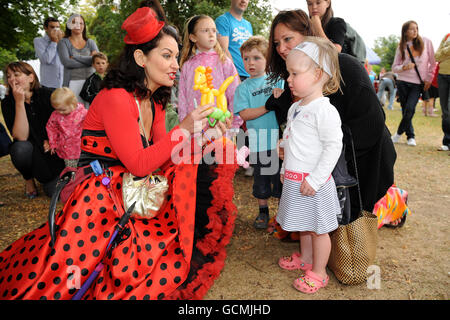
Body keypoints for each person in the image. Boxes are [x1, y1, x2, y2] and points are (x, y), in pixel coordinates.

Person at [0, 7, 237, 300]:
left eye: (176, 56)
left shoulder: (156, 99)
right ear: (140, 58)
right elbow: (139, 164)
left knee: (214, 152)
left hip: (134, 191)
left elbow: (165, 156)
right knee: (60, 282)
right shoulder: (115, 98)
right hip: (100, 194)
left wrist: (205, 133)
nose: (175, 64)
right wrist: (186, 129)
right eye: (166, 55)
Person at [264, 10, 396, 225]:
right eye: (277, 43)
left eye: (288, 39)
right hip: (324, 172)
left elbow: (370, 126)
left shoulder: (346, 67)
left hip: (365, 162)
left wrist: (314, 151)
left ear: (308, 35)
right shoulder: (295, 81)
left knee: (349, 230)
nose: (281, 48)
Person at [277, 38, 342, 294]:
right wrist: (284, 169)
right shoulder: (295, 107)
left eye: (294, 73)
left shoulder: (324, 111)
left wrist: (315, 180)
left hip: (314, 183)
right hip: (295, 178)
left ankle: (318, 271)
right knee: (303, 223)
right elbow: (291, 143)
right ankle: (305, 259)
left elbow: (332, 147)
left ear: (317, 74)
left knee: (318, 229)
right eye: (288, 73)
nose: (289, 79)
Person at [233, 36, 283, 229]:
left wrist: (280, 98)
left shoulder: (277, 80)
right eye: (246, 58)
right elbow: (245, 114)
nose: (250, 63)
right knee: (261, 180)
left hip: (279, 143)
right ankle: (263, 212)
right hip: (258, 143)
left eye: (256, 58)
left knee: (280, 179)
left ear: (267, 59)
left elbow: (287, 102)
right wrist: (268, 106)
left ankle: (282, 215)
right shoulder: (242, 88)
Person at [1, 62, 65, 198]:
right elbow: (21, 136)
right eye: (9, 76)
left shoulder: (49, 94)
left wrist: (53, 140)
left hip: (56, 148)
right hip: (33, 151)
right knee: (19, 149)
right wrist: (19, 102)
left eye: (17, 75)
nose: (12, 79)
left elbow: (67, 123)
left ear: (31, 78)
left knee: (58, 192)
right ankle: (29, 178)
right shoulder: (7, 103)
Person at [178, 14, 242, 130]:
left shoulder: (224, 61)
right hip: (195, 129)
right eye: (205, 30)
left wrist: (235, 123)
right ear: (193, 37)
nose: (211, 34)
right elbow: (182, 97)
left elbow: (235, 91)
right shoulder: (187, 65)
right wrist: (184, 124)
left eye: (214, 30)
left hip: (221, 126)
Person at [391, 21, 435, 147]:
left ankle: (398, 134)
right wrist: (404, 67)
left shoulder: (426, 42)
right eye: (411, 29)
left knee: (410, 109)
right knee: (405, 110)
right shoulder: (402, 46)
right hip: (403, 81)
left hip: (417, 83)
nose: (415, 31)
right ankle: (410, 136)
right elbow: (394, 67)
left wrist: (429, 78)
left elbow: (432, 62)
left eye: (416, 28)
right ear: (405, 32)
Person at [57, 14, 99, 108]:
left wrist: (75, 57)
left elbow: (97, 61)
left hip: (90, 84)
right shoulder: (63, 42)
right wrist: (89, 59)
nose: (78, 25)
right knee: (74, 115)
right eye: (74, 22)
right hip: (72, 83)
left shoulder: (91, 42)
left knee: (92, 115)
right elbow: (67, 62)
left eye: (81, 23)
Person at [46, 87, 88, 169]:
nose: (60, 112)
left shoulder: (83, 113)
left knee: (85, 168)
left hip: (83, 148)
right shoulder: (56, 115)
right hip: (67, 151)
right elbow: (51, 128)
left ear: (73, 103)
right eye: (57, 109)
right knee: (71, 170)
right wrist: (53, 143)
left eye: (63, 110)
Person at [215, 0, 253, 81]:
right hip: (233, 76)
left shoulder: (248, 25)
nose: (243, 1)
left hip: (250, 76)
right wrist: (235, 77)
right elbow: (223, 50)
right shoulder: (223, 20)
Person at [33, 17, 64, 89]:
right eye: (52, 27)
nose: (55, 29)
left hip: (64, 84)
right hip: (48, 85)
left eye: (57, 27)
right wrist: (54, 42)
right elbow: (46, 60)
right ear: (45, 28)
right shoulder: (38, 41)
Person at [435, 33, 450, 151]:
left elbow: (442, 54)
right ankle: (446, 141)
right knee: (445, 111)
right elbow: (437, 57)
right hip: (442, 76)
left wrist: (445, 51)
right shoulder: (446, 36)